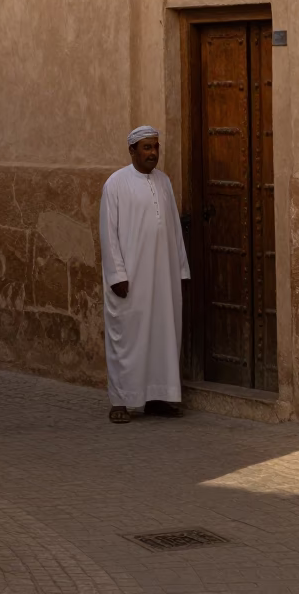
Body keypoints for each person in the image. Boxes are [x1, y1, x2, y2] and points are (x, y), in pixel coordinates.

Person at [99, 125, 190, 423]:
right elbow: (108, 234)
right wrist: (117, 276)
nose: (153, 153)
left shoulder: (163, 182)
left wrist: (180, 270)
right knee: (127, 337)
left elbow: (174, 230)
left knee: (162, 334)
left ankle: (158, 397)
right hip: (131, 279)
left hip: (163, 280)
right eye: (146, 148)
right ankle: (121, 401)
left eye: (155, 147)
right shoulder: (115, 184)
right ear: (132, 151)